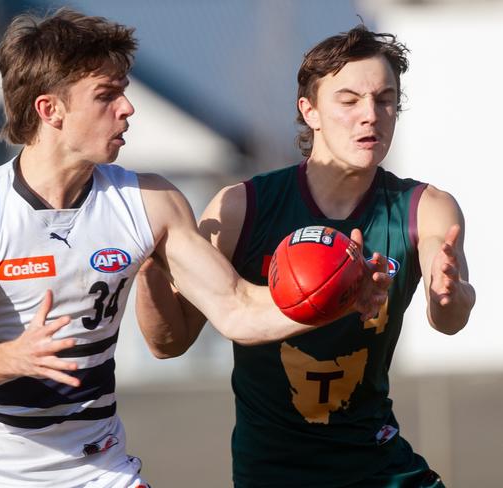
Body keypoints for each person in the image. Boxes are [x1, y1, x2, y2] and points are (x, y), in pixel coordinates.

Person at [0, 10, 391, 488]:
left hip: (99, 469)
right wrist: (14, 357)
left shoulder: (149, 203)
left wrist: (339, 300)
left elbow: (237, 308)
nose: (127, 108)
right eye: (106, 96)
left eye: (123, 91)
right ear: (50, 110)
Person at [135, 25, 476, 487]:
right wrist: (149, 264)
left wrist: (449, 293)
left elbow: (449, 316)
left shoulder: (426, 208)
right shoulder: (242, 208)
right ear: (309, 111)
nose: (370, 116)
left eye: (385, 99)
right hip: (273, 472)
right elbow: (168, 342)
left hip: (380, 467)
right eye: (350, 100)